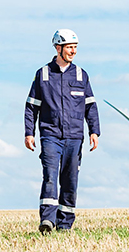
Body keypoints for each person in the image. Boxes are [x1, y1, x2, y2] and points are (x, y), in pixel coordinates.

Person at [24, 29, 100, 234]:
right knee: (50, 175)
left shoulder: (81, 75)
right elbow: (32, 106)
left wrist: (94, 131)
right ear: (58, 48)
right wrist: (29, 133)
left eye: (75, 47)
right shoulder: (43, 74)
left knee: (70, 180)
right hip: (50, 134)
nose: (73, 51)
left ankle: (65, 224)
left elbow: (90, 105)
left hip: (75, 136)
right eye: (69, 47)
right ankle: (47, 220)